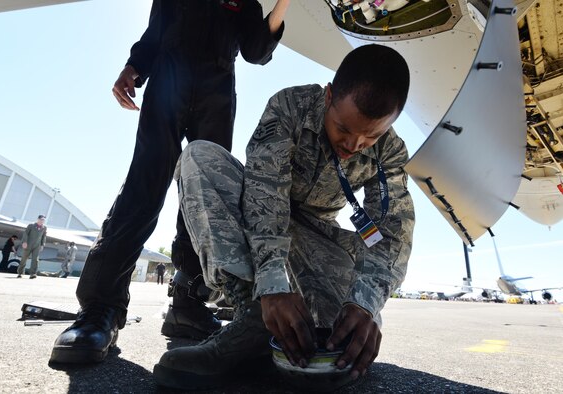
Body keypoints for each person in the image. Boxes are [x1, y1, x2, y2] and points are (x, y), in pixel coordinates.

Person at [152, 45, 415, 390]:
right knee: (199, 156)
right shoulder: (290, 107)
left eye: (373, 136)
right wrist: (272, 287)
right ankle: (251, 316)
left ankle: (281, 329)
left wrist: (364, 304)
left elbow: (391, 233)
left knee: (342, 333)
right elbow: (265, 197)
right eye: (343, 128)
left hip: (318, 237)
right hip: (258, 224)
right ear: (329, 95)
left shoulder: (391, 152)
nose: (355, 144)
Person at [50, 0, 290, 364]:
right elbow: (154, 35)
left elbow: (256, 52)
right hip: (167, 86)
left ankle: (188, 305)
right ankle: (100, 309)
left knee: (205, 197)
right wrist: (133, 68)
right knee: (142, 188)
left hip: (217, 93)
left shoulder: (245, 3)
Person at [17, 215, 47, 279]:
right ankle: (20, 273)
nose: (42, 221)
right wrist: (24, 242)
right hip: (28, 244)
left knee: (35, 259)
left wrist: (42, 245)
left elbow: (44, 236)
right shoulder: (31, 226)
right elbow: (25, 234)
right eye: (41, 219)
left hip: (37, 245)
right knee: (24, 258)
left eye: (43, 220)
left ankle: (33, 274)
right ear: (38, 219)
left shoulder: (44, 228)